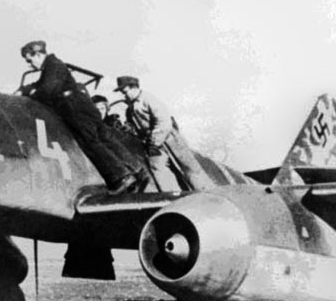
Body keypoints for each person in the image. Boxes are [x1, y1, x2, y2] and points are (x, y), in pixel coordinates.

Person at [20, 41, 145, 194]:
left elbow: (47, 90)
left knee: (89, 141)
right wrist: (26, 89)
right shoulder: (54, 65)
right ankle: (138, 170)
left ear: (38, 54)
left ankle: (121, 177)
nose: (29, 65)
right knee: (105, 137)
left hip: (74, 109)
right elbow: (41, 84)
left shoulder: (53, 65)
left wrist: (31, 93)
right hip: (85, 106)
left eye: (29, 60)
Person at [115, 76, 213, 191]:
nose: (124, 95)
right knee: (159, 169)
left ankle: (207, 193)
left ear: (134, 87)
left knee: (188, 167)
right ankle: (172, 196)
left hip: (168, 138)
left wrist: (154, 142)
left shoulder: (148, 99)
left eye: (125, 92)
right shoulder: (130, 108)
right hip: (152, 142)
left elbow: (164, 122)